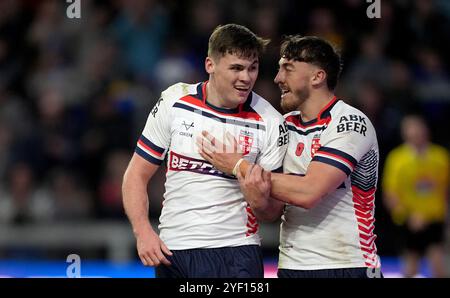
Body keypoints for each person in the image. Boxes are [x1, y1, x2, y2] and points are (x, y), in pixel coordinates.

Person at [198, 35, 383, 278]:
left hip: (349, 265)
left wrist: (238, 166)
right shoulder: (282, 126)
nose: (277, 79)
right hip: (291, 267)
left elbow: (309, 192)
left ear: (317, 77)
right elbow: (271, 212)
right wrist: (258, 198)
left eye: (287, 69)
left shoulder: (349, 122)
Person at [122, 24, 288, 278]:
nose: (246, 77)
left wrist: (242, 176)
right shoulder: (175, 101)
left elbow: (272, 212)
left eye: (252, 68)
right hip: (174, 252)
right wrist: (142, 231)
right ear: (210, 65)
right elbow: (136, 175)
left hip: (236, 254)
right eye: (236, 68)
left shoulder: (271, 122)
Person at [383, 115, 449, 278]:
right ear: (405, 134)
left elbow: (446, 190)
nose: (415, 134)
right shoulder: (397, 159)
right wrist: (408, 216)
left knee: (439, 266)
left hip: (434, 220)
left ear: (426, 131)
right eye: (410, 130)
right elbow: (390, 193)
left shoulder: (441, 156)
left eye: (418, 129)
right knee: (410, 267)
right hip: (408, 222)